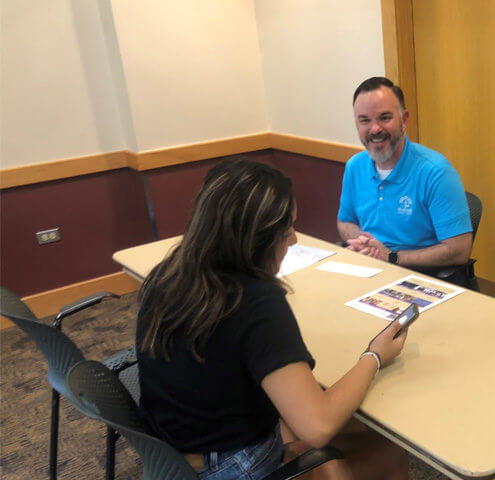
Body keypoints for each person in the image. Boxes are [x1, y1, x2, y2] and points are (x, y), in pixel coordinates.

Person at [136, 158, 409, 480]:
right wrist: (374, 355)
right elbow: (318, 426)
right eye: (287, 228)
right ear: (259, 237)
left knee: (315, 418)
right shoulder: (254, 300)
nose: (293, 239)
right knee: (390, 451)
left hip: (172, 454)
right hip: (229, 466)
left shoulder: (168, 272)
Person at [337, 77, 473, 285]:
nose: (374, 129)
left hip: (421, 277)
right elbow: (345, 221)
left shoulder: (435, 172)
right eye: (365, 120)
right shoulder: (354, 166)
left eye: (384, 118)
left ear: (404, 120)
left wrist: (392, 257)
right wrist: (363, 243)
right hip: (369, 273)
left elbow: (459, 250)